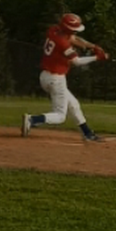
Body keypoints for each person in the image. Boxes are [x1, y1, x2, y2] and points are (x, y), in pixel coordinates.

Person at [21, 13, 108, 141]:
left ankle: (87, 133)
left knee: (73, 104)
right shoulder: (63, 43)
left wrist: (93, 47)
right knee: (60, 116)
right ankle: (32, 120)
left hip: (46, 76)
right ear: (68, 29)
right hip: (56, 79)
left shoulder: (54, 30)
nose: (75, 32)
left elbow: (75, 39)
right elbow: (76, 61)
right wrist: (97, 57)